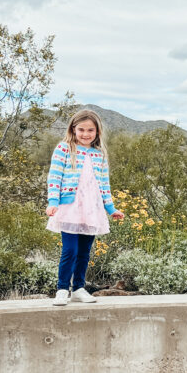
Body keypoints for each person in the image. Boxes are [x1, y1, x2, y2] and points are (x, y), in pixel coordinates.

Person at [45, 109, 124, 305]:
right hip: (69, 207)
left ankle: (79, 288)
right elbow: (54, 177)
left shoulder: (100, 154)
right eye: (81, 129)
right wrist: (53, 202)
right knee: (69, 250)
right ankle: (62, 289)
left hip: (92, 209)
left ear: (97, 132)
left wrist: (111, 208)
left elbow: (104, 184)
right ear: (73, 129)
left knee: (84, 251)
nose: (86, 134)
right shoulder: (64, 148)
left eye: (90, 130)